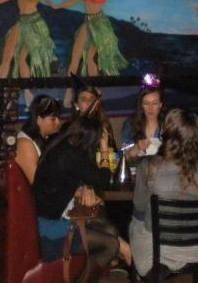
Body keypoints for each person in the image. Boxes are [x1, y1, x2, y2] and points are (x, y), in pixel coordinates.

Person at [33, 115, 131, 282]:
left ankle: (103, 274)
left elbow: (78, 176)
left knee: (110, 230)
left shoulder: (61, 146)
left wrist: (84, 187)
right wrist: (104, 149)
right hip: (49, 233)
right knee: (112, 245)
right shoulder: (70, 156)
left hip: (47, 221)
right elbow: (104, 180)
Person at [129, 108, 198, 278]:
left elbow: (139, 209)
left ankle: (147, 270)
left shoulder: (149, 166)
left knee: (135, 221)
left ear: (166, 134)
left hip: (161, 250)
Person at [15, 95, 63, 184]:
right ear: (39, 120)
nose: (58, 122)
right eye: (53, 119)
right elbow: (38, 183)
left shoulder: (48, 137)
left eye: (59, 118)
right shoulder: (25, 144)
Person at [121, 83, 165, 160]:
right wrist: (137, 147)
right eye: (146, 103)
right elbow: (124, 156)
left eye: (154, 103)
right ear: (141, 105)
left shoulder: (168, 124)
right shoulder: (131, 125)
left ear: (160, 104)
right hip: (137, 166)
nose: (150, 108)